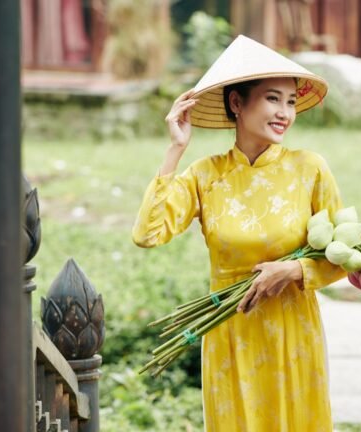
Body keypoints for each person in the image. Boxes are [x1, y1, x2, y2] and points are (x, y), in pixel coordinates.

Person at [132, 35, 345, 431]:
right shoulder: (206, 174)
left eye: (291, 101)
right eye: (272, 99)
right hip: (230, 331)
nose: (284, 112)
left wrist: (293, 271)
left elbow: (343, 255)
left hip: (293, 330)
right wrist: (175, 149)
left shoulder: (310, 169)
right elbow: (148, 233)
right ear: (236, 103)